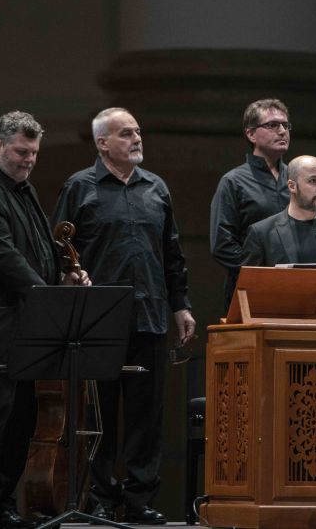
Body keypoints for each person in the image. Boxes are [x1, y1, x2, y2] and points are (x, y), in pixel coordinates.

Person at [52, 107, 196, 526]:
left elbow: (172, 252)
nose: (137, 139)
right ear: (103, 143)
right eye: (126, 133)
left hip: (149, 312)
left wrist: (180, 305)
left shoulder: (157, 188)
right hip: (98, 317)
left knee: (145, 415)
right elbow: (58, 249)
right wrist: (69, 273)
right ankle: (99, 496)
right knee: (100, 414)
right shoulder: (79, 187)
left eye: (138, 132)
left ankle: (137, 499)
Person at [0, 112, 89, 529]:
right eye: (21, 152)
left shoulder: (24, 189)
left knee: (22, 421)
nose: (29, 160)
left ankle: (0, 503)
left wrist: (62, 274)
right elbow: (6, 261)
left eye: (33, 153)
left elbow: (37, 250)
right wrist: (49, 298)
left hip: (28, 324)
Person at [210, 98, 291, 308]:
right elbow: (222, 243)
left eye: (285, 125)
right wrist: (257, 273)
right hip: (250, 290)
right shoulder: (233, 181)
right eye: (272, 125)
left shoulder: (297, 176)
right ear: (251, 134)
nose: (282, 131)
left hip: (296, 287)